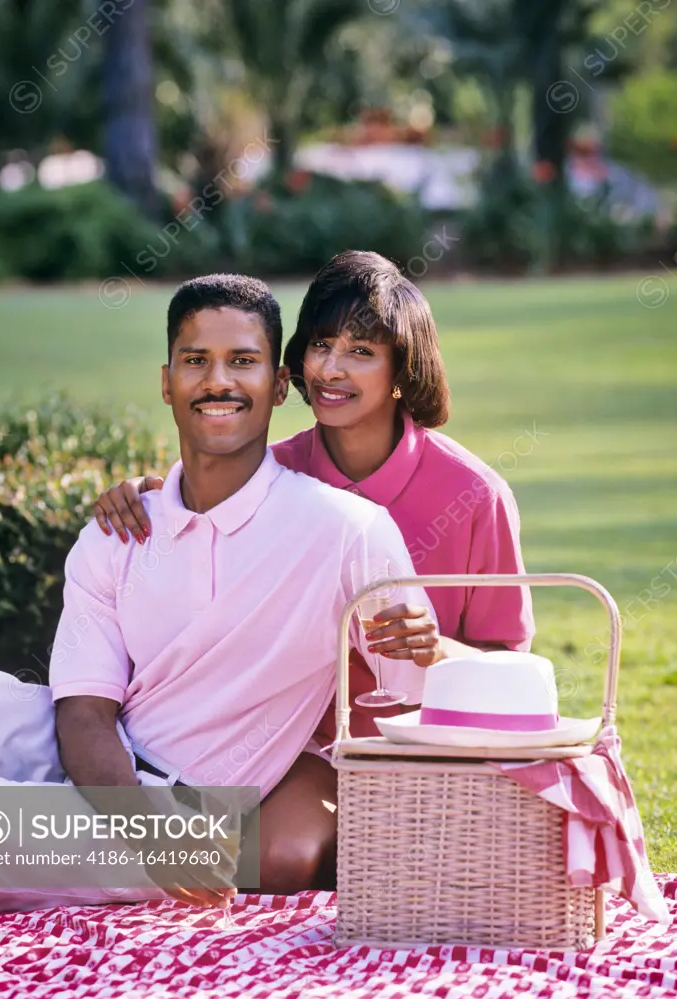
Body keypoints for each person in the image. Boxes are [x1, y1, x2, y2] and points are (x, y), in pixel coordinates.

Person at [0, 273, 441, 914]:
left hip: (186, 824)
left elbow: (416, 697)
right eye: (196, 361)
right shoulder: (119, 529)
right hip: (94, 764)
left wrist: (157, 837)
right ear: (166, 381)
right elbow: (84, 711)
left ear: (279, 385)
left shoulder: (350, 532)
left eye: (243, 361)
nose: (218, 381)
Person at [94, 251, 535, 751]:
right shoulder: (271, 473)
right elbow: (195, 508)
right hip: (280, 754)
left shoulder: (474, 496)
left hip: (420, 756)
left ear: (401, 370)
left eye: (361, 352)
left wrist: (440, 650)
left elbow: (515, 669)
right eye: (321, 345)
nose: (330, 369)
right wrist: (141, 495)